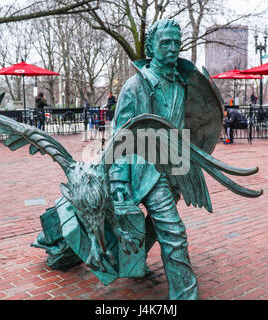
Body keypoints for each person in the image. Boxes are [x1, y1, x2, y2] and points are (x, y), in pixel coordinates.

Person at [109, 19, 219, 300]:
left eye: (176, 43)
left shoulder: (183, 85)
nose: (172, 49)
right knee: (174, 232)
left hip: (177, 165)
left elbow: (190, 124)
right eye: (165, 43)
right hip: (147, 168)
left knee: (154, 226)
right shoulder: (135, 86)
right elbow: (121, 137)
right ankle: (185, 295)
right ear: (151, 48)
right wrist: (119, 180)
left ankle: (130, 262)